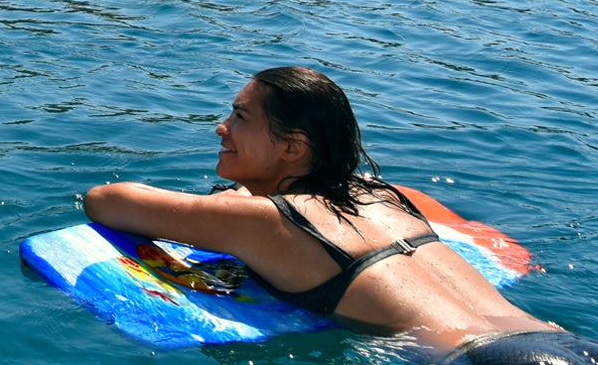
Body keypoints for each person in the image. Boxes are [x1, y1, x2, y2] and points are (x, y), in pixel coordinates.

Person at [84, 67, 595, 364]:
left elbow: (106, 200)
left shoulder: (264, 218)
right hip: (562, 341)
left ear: (293, 148)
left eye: (240, 117)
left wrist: (231, 202)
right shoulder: (382, 193)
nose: (222, 128)